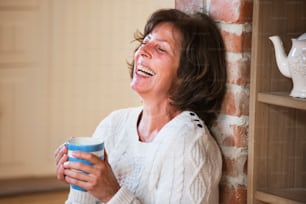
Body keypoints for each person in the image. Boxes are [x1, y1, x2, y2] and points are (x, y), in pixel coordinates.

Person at [54, 8, 227, 204]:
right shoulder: (113, 125)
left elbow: (109, 195)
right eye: (145, 42)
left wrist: (111, 194)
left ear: (187, 73)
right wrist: (81, 181)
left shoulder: (189, 144)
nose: (142, 51)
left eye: (161, 48)